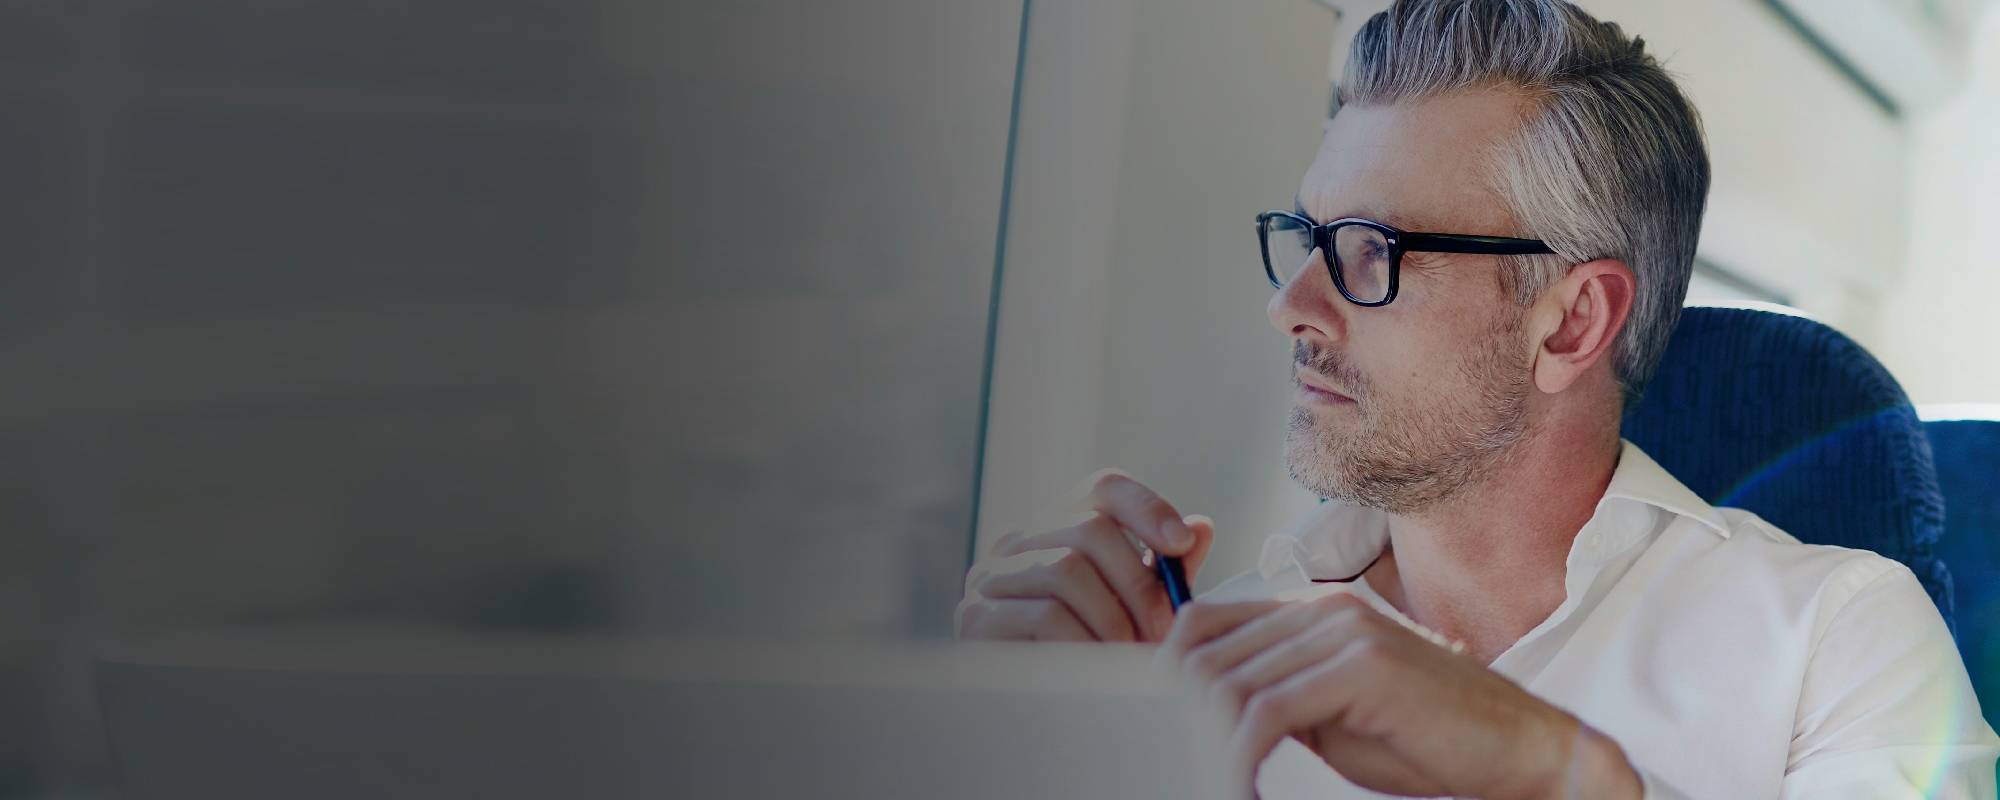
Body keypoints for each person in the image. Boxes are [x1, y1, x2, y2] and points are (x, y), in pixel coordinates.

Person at [956, 1, 2000, 797]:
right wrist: (1007, 745)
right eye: (1307, 236)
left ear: (1571, 323)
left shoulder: (1836, 636)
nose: (1291, 305)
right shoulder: (1184, 655)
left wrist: (1556, 771)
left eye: (1370, 250)